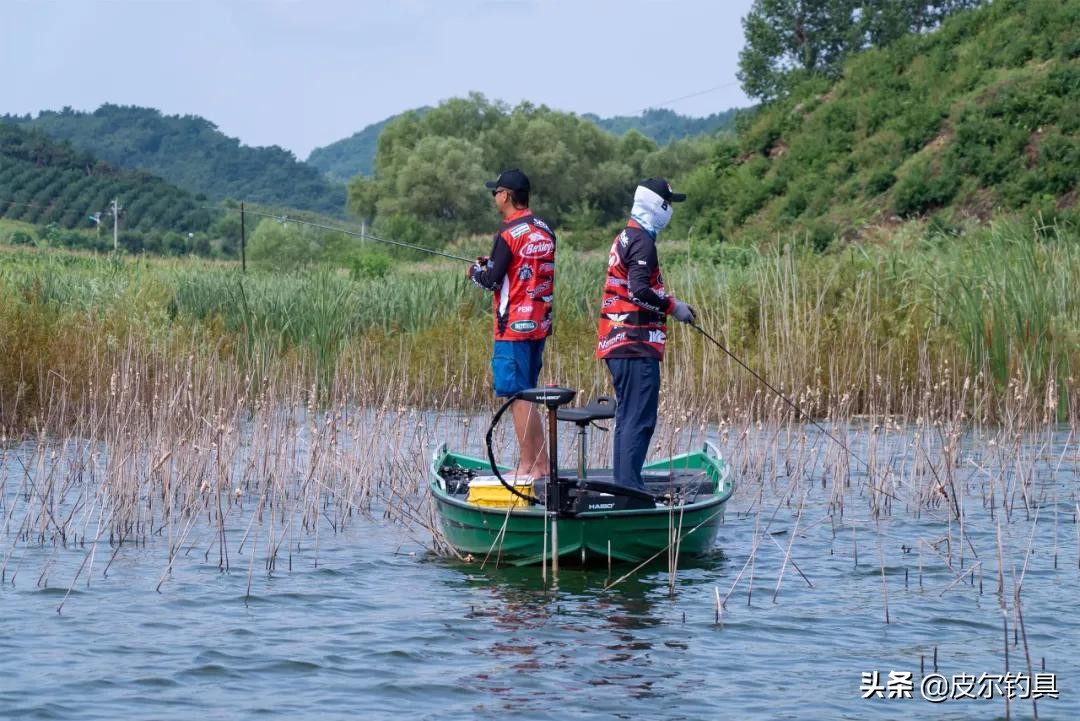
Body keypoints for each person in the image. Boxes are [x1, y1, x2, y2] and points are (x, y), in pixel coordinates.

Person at [596, 178, 695, 490]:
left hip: (617, 342)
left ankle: (625, 485)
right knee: (639, 420)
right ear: (658, 206)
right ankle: (629, 490)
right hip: (635, 344)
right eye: (669, 204)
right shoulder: (642, 242)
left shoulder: (625, 236)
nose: (671, 210)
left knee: (628, 418)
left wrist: (669, 303)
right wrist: (673, 307)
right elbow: (638, 290)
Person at [467, 168, 556, 479]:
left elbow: (492, 281)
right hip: (539, 324)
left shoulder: (506, 234)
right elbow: (521, 267)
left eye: (497, 192)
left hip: (512, 328)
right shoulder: (545, 230)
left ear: (506, 195)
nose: (495, 197)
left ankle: (530, 465)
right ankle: (541, 464)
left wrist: (474, 272)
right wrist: (493, 263)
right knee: (528, 394)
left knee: (517, 396)